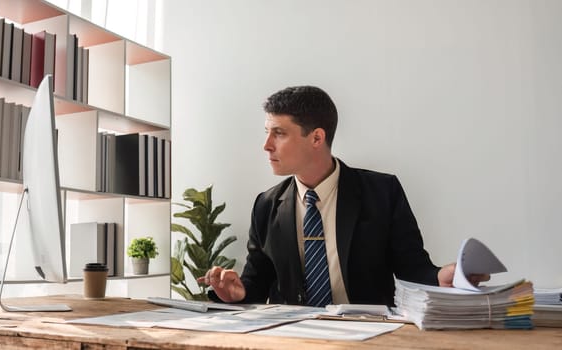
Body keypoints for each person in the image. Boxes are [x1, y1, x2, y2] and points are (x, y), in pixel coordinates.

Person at [199, 85, 488, 306]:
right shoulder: (266, 205)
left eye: (279, 133)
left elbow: (412, 266)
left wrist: (441, 277)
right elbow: (256, 283)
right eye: (267, 132)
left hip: (369, 336)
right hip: (293, 339)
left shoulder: (382, 192)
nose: (266, 145)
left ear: (316, 138)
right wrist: (237, 293)